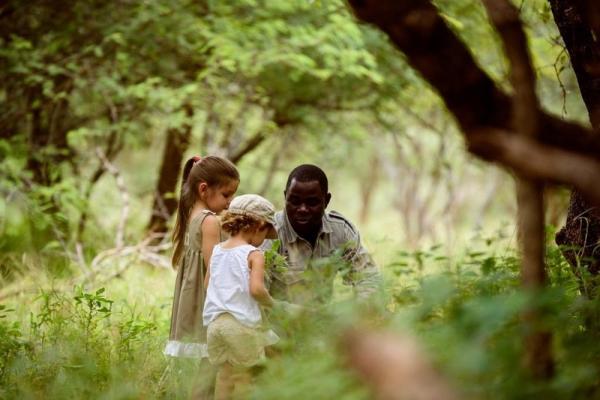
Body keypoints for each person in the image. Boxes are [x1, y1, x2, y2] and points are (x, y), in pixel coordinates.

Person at [203, 194, 279, 400]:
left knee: (224, 376)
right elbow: (256, 290)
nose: (264, 240)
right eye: (265, 233)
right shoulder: (254, 254)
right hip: (240, 327)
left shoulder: (217, 250)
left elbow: (207, 284)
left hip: (215, 326)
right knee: (244, 378)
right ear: (258, 226)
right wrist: (271, 304)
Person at [269, 164, 380, 304]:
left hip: (324, 321)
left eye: (311, 202)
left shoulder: (341, 230)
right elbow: (255, 293)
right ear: (285, 197)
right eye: (295, 201)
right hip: (278, 321)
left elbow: (368, 278)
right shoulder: (269, 232)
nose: (302, 209)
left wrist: (355, 313)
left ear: (326, 201)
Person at [164, 155, 240, 359]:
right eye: (226, 195)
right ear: (203, 189)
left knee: (199, 358)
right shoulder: (210, 222)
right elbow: (214, 268)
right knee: (210, 356)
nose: (230, 201)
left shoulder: (191, 214)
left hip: (190, 295)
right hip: (204, 297)